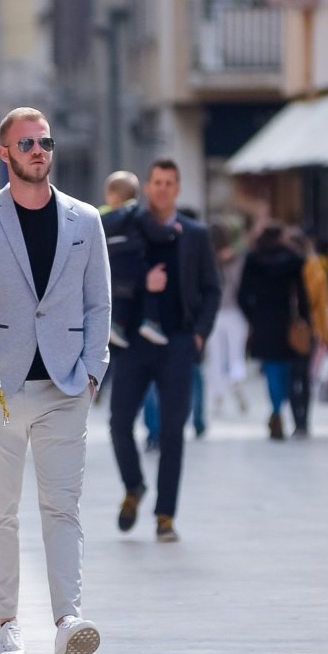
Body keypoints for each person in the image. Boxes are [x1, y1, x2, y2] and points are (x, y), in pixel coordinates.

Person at [0, 107, 110, 654]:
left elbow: (98, 302)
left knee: (62, 507)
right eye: (26, 143)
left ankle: (68, 622)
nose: (39, 150)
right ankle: (7, 623)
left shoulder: (85, 219)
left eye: (45, 142)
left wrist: (93, 370)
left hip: (65, 385)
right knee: (1, 510)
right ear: (5, 153)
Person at [108, 159, 221, 542]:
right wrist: (143, 282)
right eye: (156, 181)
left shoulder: (195, 234)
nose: (162, 188)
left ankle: (165, 515)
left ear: (177, 188)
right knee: (119, 423)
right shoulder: (129, 223)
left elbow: (212, 288)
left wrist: (199, 335)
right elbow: (109, 270)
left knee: (173, 431)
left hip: (177, 342)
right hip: (132, 343)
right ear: (147, 186)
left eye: (169, 182)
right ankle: (134, 486)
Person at [238, 221, 310, 440]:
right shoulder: (293, 259)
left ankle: (276, 408)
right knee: (286, 367)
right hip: (286, 319)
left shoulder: (254, 259)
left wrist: (251, 316)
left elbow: (243, 294)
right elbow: (301, 293)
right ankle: (280, 407)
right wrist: (304, 319)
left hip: (262, 320)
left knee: (271, 369)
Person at [101, 170, 176, 349]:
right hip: (133, 260)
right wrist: (171, 232)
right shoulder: (137, 212)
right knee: (150, 285)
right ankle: (151, 322)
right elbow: (155, 232)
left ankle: (116, 325)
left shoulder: (101, 216)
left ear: (111, 195)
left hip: (112, 263)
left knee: (122, 295)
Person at [285, 228, 328, 436]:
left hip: (288, 326)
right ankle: (304, 421)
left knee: (291, 374)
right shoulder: (315, 268)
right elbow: (322, 303)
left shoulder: (284, 265)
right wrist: (324, 332)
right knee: (304, 375)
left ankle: (296, 419)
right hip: (309, 327)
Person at [206, 221, 249, 418]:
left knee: (215, 357)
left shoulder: (206, 259)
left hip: (214, 312)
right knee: (236, 353)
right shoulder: (237, 258)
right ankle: (236, 378)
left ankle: (218, 395)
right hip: (234, 310)